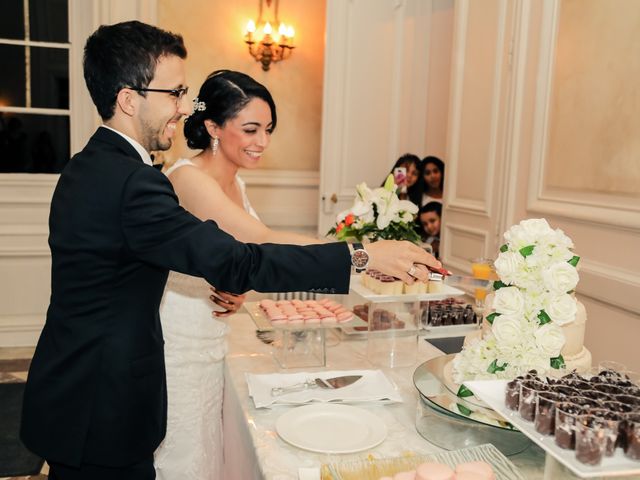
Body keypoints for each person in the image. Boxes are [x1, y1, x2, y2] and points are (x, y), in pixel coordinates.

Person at [19, 21, 439, 480]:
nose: (184, 107)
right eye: (174, 93)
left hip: (76, 391)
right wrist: (361, 255)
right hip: (103, 407)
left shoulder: (85, 166)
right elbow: (240, 257)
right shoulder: (133, 183)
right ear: (128, 98)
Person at [154, 70, 328, 479]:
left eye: (268, 129)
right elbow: (260, 238)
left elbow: (238, 257)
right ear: (213, 126)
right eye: (250, 129)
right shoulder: (186, 178)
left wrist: (239, 287)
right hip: (179, 343)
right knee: (184, 454)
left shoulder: (239, 184)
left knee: (209, 451)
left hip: (215, 337)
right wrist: (358, 254)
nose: (262, 142)